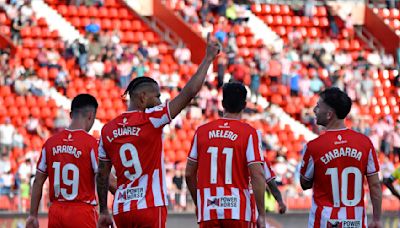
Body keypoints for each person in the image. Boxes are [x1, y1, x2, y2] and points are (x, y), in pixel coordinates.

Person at [96, 33, 221, 228]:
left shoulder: (107, 130)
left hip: (121, 209)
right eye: (157, 96)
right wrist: (207, 59)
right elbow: (189, 93)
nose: (160, 101)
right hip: (150, 206)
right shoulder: (152, 119)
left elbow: (102, 175)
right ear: (143, 97)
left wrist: (104, 209)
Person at [185, 82, 267, 228]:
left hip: (209, 209)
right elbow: (257, 175)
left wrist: (200, 203)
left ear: (223, 104)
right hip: (238, 211)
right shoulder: (249, 133)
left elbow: (189, 174)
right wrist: (261, 214)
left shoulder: (202, 132)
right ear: (244, 105)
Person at [300, 87, 382, 228]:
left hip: (324, 223)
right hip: (355, 223)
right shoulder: (364, 143)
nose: (314, 110)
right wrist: (376, 219)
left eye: (318, 106)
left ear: (329, 114)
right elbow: (374, 185)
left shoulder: (314, 146)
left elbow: (304, 183)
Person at [26, 94, 100, 228]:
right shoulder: (91, 144)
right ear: (90, 116)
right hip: (82, 211)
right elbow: (104, 177)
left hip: (56, 211)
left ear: (71, 115)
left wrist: (33, 215)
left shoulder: (50, 143)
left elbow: (38, 181)